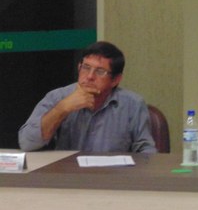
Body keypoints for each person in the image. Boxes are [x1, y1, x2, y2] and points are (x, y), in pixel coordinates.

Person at [18, 41, 157, 153]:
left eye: (100, 71)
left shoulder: (133, 104)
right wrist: (62, 109)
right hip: (67, 175)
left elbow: (146, 151)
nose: (90, 76)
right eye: (86, 67)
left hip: (113, 176)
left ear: (115, 80)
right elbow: (27, 143)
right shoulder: (58, 97)